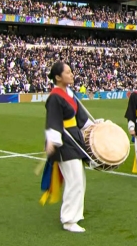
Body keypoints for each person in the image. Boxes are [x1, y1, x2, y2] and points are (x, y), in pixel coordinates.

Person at [40, 61, 96, 233]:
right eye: (67, 72)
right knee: (74, 180)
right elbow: (53, 120)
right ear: (58, 77)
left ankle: (75, 214)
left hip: (74, 140)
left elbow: (81, 118)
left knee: (79, 179)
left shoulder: (70, 94)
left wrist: (94, 125)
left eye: (71, 72)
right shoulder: (55, 97)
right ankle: (68, 219)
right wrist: (52, 140)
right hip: (64, 142)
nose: (71, 74)